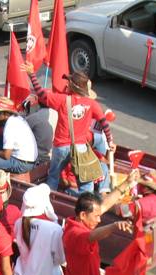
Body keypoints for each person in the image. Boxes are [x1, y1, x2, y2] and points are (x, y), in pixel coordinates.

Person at [23, 63, 115, 194]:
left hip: (61, 147)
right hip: (81, 149)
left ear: (73, 86)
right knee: (85, 181)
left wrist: (32, 74)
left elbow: (41, 94)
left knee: (53, 176)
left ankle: (49, 201)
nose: (67, 84)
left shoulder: (62, 100)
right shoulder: (92, 104)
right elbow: (104, 122)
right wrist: (110, 141)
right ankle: (84, 205)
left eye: (69, 82)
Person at [0, 96, 38, 174]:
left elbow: (6, 155)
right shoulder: (17, 118)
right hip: (29, 160)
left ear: (6, 113)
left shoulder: (9, 126)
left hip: (22, 164)